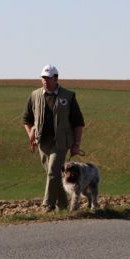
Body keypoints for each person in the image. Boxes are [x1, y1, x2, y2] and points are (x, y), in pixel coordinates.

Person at [22, 64, 85, 212]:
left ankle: (47, 206)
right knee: (54, 176)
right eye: (43, 78)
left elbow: (79, 123)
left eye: (48, 78)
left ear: (56, 78)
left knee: (52, 173)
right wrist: (30, 131)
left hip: (61, 142)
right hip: (42, 142)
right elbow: (26, 119)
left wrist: (76, 144)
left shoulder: (68, 96)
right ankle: (63, 206)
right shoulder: (35, 95)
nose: (45, 81)